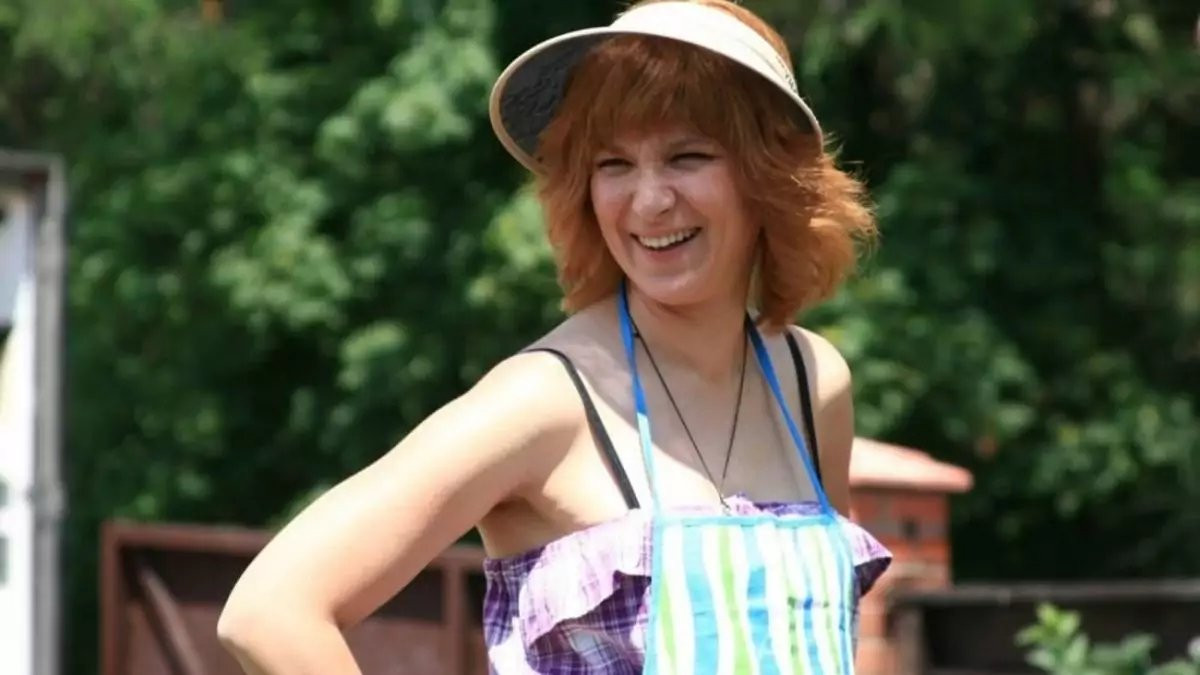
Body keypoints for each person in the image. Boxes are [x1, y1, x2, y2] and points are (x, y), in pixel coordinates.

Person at [217, 0, 892, 672]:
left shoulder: (812, 382)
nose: (649, 200)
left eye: (687, 156)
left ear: (768, 174)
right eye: (613, 164)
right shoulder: (547, 398)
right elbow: (270, 611)